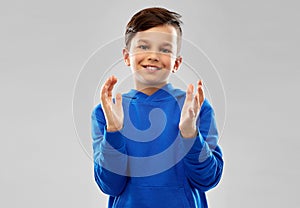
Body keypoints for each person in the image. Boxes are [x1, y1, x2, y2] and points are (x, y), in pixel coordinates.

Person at [91, 7, 224, 208]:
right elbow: (110, 185)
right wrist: (114, 132)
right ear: (127, 56)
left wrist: (190, 135)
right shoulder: (106, 112)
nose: (153, 56)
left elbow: (208, 179)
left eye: (164, 49)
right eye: (143, 47)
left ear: (176, 63)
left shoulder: (196, 109)